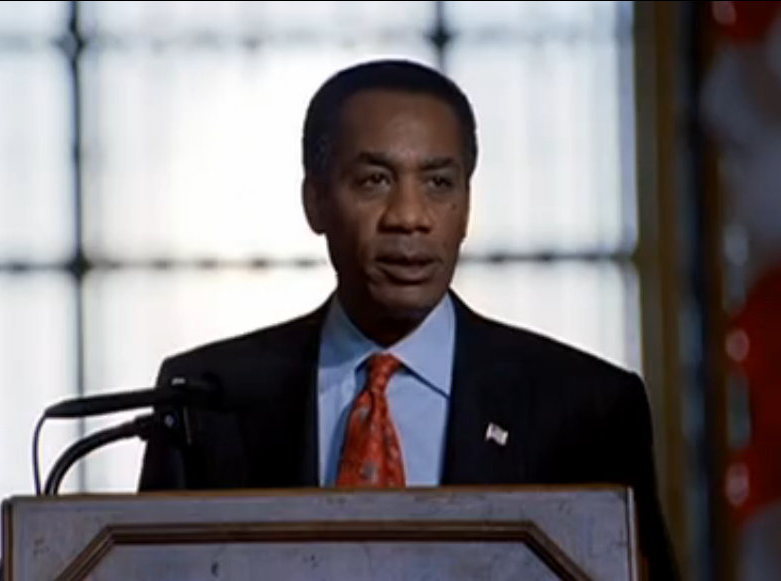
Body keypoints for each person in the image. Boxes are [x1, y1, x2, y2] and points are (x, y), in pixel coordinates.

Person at [138, 58, 680, 580]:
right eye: (374, 181)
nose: (409, 217)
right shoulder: (205, 399)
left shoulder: (588, 409)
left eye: (439, 183)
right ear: (315, 202)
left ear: (467, 205)